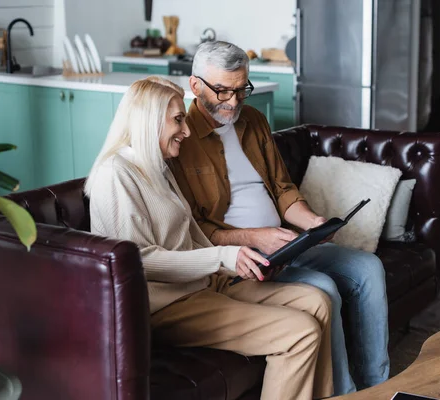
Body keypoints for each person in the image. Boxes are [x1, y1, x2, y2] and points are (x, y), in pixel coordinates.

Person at [84, 76, 334, 400]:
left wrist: (241, 264)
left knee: (318, 302)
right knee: (300, 333)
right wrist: (223, 257)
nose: (186, 131)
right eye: (177, 120)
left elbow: (192, 239)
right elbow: (139, 261)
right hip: (165, 307)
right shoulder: (115, 174)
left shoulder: (157, 167)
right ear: (148, 122)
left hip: (202, 286)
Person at [171, 41, 390, 392]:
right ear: (195, 86)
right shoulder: (180, 139)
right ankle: (345, 394)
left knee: (368, 268)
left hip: (287, 241)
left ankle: (378, 386)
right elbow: (196, 230)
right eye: (223, 90)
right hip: (243, 260)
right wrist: (256, 238)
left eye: (242, 89)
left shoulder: (254, 121)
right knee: (324, 289)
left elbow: (283, 189)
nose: (233, 101)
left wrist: (311, 223)